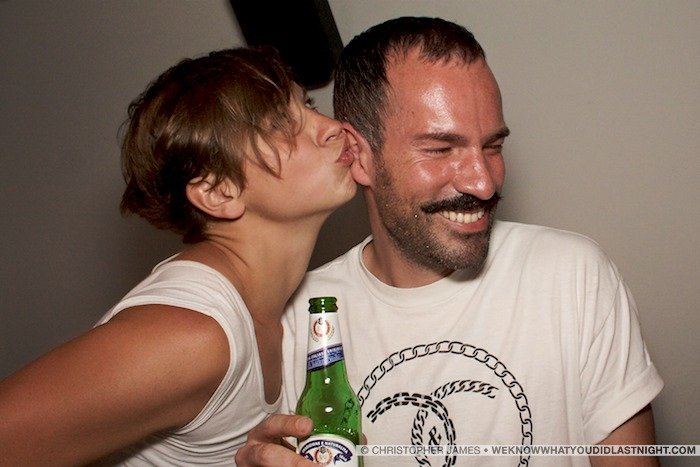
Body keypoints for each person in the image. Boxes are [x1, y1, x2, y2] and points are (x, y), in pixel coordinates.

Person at [236, 17, 664, 467]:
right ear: (360, 157)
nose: (483, 183)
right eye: (440, 149)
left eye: (493, 146)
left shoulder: (573, 276)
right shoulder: (301, 322)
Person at [0, 47, 358, 465]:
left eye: (308, 105)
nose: (331, 127)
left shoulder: (280, 313)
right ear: (218, 192)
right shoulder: (194, 337)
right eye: (281, 125)